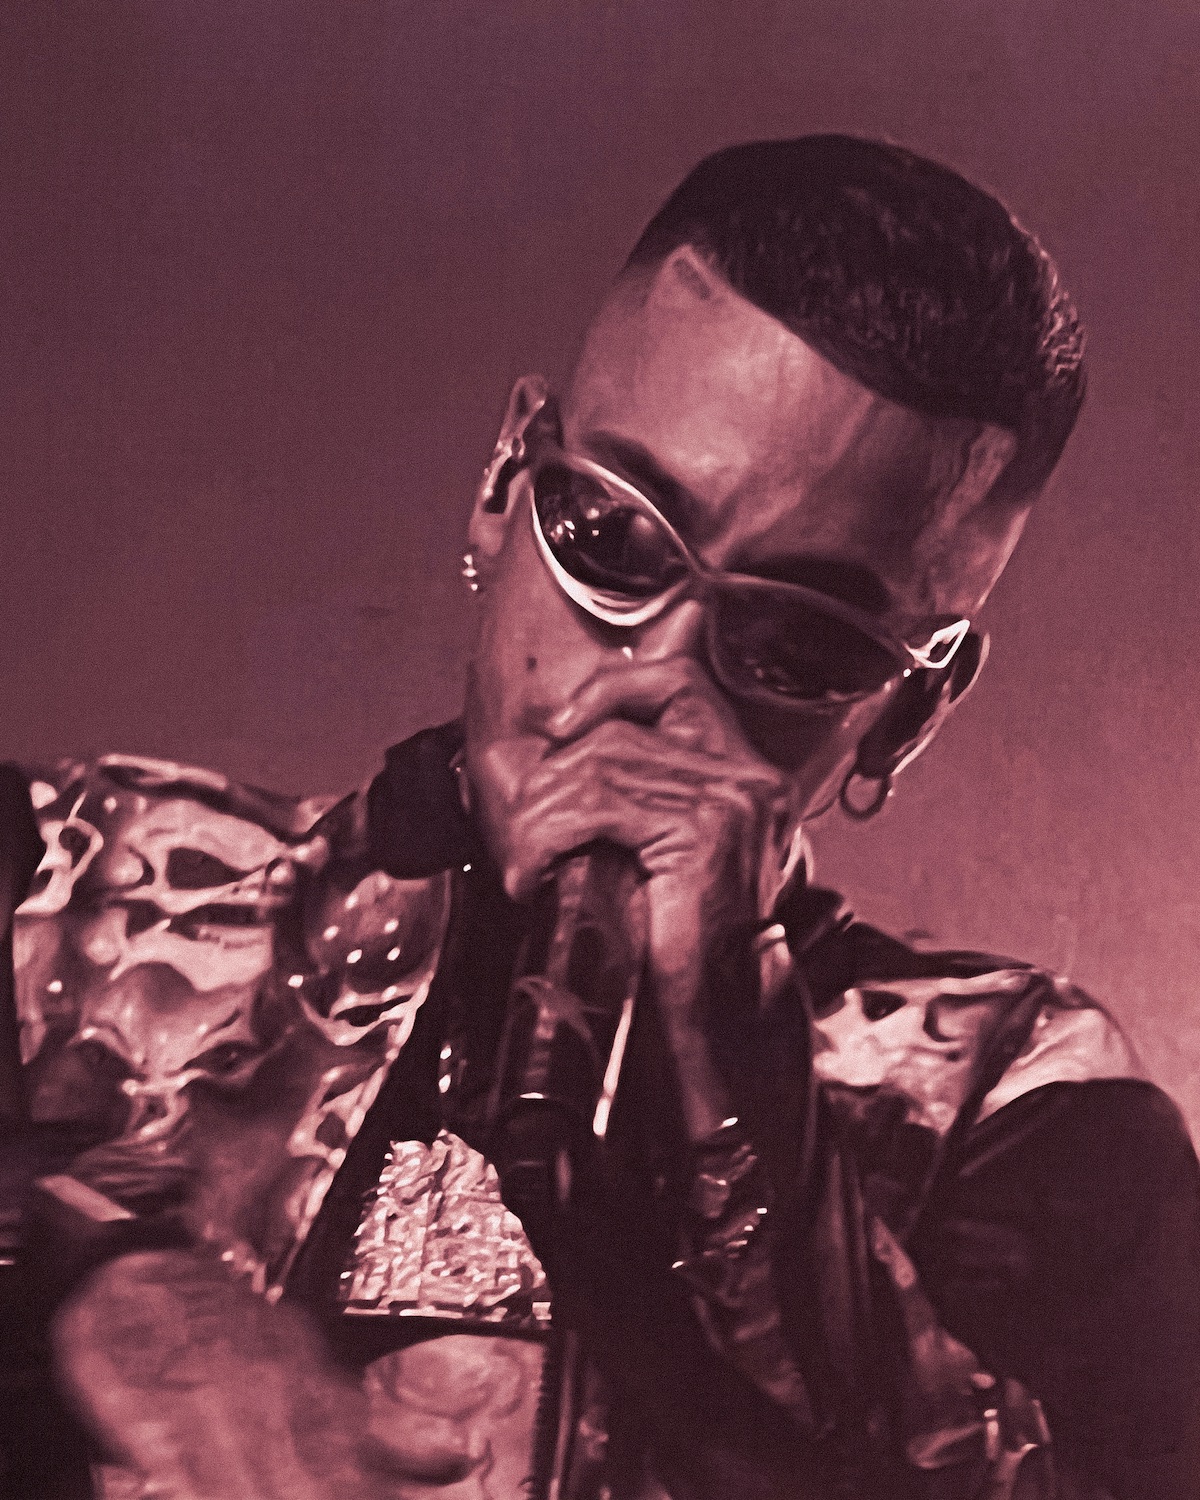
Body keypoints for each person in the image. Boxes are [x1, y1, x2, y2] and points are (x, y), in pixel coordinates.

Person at [3, 134, 1198, 1499]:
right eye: (615, 539)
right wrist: (89, 1261)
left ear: (908, 710)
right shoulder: (64, 884)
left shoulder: (1022, 1101)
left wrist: (736, 1071)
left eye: (801, 643)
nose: (658, 681)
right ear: (505, 484)